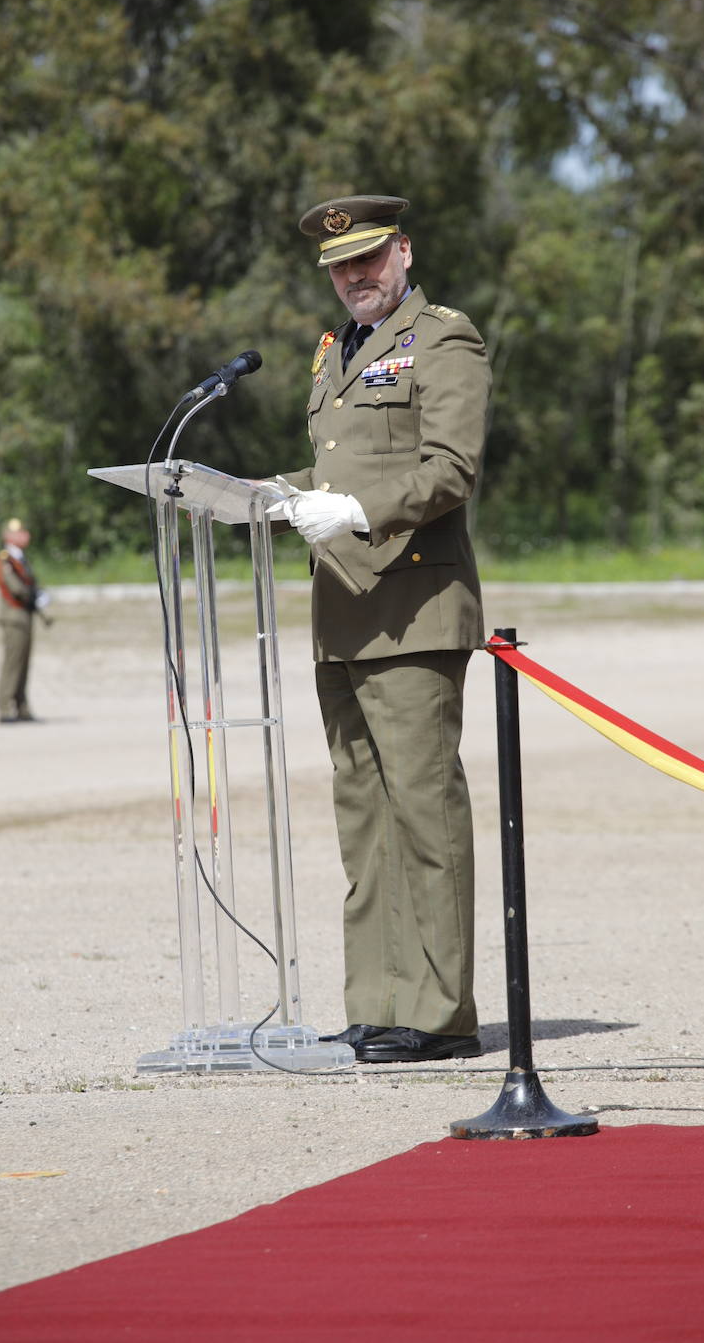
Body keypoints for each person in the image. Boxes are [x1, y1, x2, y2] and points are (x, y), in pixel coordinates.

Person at [267, 194, 491, 1063]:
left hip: (414, 608)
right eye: (338, 267)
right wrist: (265, 495)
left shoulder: (442, 338)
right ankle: (378, 1004)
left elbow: (451, 469)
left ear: (402, 251)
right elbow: (339, 462)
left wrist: (355, 507)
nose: (353, 276)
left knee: (425, 817)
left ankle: (439, 1014)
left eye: (367, 258)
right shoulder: (338, 353)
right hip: (343, 609)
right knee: (365, 817)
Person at [0, 517, 49, 724]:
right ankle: (5, 706)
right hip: (13, 616)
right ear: (8, 536)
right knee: (12, 663)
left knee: (24, 664)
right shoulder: (5, 558)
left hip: (25, 616)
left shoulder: (20, 558)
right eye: (19, 532)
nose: (25, 536)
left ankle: (21, 705)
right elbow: (15, 587)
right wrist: (32, 595)